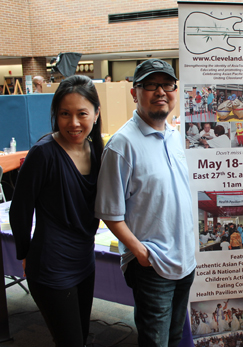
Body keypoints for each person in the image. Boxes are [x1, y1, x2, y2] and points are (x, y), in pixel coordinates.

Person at [95, 59, 196, 347]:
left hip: (184, 262)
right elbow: (109, 212)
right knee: (155, 342)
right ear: (134, 92)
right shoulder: (121, 145)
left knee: (175, 338)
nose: (160, 91)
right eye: (150, 85)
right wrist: (141, 253)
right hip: (152, 267)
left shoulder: (175, 137)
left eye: (167, 84)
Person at [9, 75, 103, 346]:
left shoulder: (96, 149)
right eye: (64, 114)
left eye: (81, 114)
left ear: (96, 114)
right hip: (51, 264)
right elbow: (20, 209)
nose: (73, 123)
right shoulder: (44, 153)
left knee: (81, 336)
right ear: (55, 115)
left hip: (85, 259)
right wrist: (24, 253)